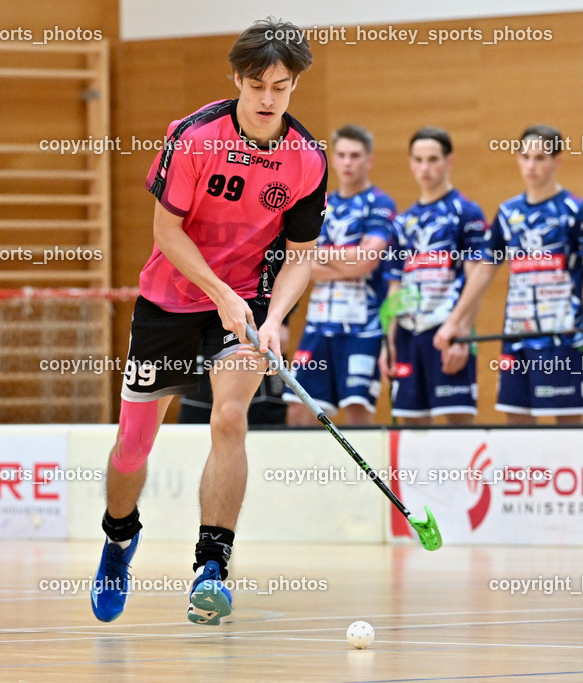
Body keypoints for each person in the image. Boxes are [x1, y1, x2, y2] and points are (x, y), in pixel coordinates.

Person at [91, 18, 326, 626]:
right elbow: (166, 231)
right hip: (171, 301)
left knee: (229, 418)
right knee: (133, 446)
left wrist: (274, 318)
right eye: (256, 86)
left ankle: (211, 568)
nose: (268, 100)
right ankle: (119, 539)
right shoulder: (194, 138)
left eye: (280, 87)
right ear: (237, 80)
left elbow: (302, 256)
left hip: (249, 303)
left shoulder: (306, 160)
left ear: (294, 84)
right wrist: (217, 290)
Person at [381, 127, 498, 425]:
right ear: (410, 163)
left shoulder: (466, 212)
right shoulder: (403, 222)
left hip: (447, 331)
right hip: (408, 335)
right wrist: (388, 341)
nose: (425, 168)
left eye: (433, 159)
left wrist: (462, 333)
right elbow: (396, 285)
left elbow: (477, 278)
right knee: (410, 427)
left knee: (458, 424)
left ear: (449, 161)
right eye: (418, 160)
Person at [284, 125, 397, 426]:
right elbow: (296, 262)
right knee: (298, 408)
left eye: (356, 156)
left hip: (363, 327)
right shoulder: (320, 204)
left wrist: (316, 255)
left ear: (369, 160)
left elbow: (366, 260)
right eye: (342, 155)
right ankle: (309, 473)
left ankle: (359, 474)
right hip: (319, 323)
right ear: (332, 159)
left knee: (357, 409)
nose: (348, 162)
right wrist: (344, 258)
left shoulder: (380, 203)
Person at [491, 126, 583, 424]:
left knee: (567, 424)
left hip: (563, 337)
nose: (531, 165)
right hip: (517, 336)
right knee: (515, 420)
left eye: (541, 158)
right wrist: (455, 322)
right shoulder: (507, 213)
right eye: (526, 157)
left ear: (557, 161)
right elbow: (483, 269)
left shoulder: (573, 211)